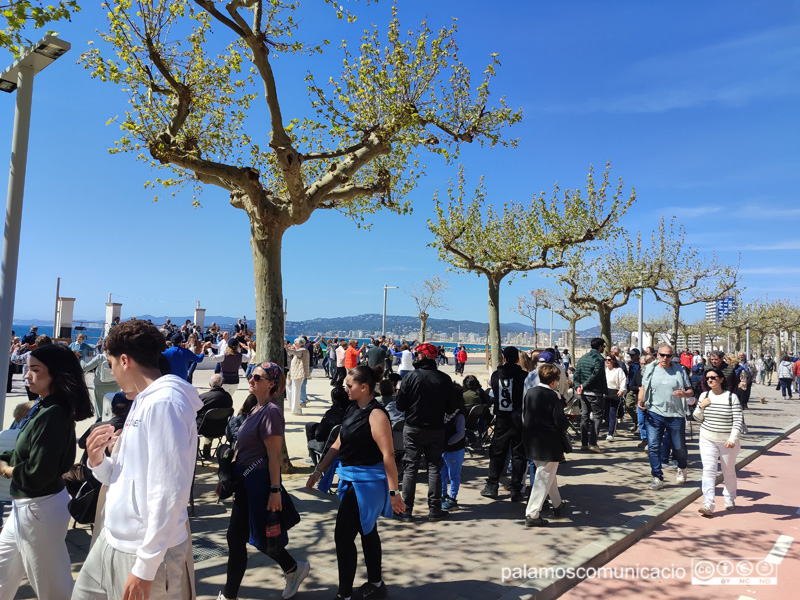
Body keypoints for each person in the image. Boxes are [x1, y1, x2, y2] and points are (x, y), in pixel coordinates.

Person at [73, 319, 202, 600]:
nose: (112, 373)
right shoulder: (144, 400)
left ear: (124, 360)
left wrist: (145, 566)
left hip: (144, 553)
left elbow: (170, 491)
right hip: (112, 541)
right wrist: (98, 461)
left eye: (111, 364)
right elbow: (124, 477)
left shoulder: (165, 403)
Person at [0, 344, 94, 599]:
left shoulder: (52, 413)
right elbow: (25, 452)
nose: (26, 374)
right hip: (26, 508)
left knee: (53, 589)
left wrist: (7, 470)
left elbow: (37, 473)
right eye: (27, 368)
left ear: (55, 374)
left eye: (34, 369)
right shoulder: (43, 406)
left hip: (38, 509)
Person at [306, 365, 405, 600]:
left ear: (364, 387)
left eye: (349, 386)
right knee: (367, 531)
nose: (345, 389)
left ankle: (344, 594)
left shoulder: (377, 414)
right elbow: (338, 444)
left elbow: (388, 455)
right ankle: (376, 583)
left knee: (343, 536)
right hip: (351, 479)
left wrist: (394, 492)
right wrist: (319, 470)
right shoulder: (352, 408)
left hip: (368, 484)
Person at [217, 362, 308, 600]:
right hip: (245, 483)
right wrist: (227, 475)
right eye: (250, 375)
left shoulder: (271, 412)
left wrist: (275, 490)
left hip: (259, 484)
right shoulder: (256, 408)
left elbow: (273, 455)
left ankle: (293, 569)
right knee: (237, 538)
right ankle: (229, 594)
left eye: (257, 377)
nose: (251, 379)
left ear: (272, 384)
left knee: (261, 537)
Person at [396, 342, 458, 521]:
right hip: (436, 428)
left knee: (410, 469)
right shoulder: (444, 379)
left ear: (422, 356)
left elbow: (400, 406)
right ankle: (434, 509)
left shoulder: (410, 377)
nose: (415, 356)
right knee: (434, 468)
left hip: (413, 427)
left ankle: (406, 510)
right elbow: (451, 406)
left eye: (418, 354)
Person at [638, 344, 693, 490]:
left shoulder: (679, 370)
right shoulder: (650, 369)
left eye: (668, 356)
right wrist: (640, 400)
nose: (665, 358)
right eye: (662, 355)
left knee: (679, 447)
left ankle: (682, 467)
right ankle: (657, 477)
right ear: (657, 355)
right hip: (654, 413)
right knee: (654, 446)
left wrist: (684, 394)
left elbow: (690, 391)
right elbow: (643, 387)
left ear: (672, 357)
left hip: (675, 414)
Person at [522, 363, 569, 527]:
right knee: (544, 476)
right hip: (549, 442)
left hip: (531, 438)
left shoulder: (530, 392)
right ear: (554, 381)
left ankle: (557, 504)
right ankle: (532, 514)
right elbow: (560, 421)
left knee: (548, 474)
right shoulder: (553, 396)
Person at [693, 367, 744, 516]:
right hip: (707, 438)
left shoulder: (731, 397)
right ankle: (708, 504)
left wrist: (732, 438)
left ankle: (729, 498)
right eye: (708, 378)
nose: (710, 380)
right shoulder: (704, 395)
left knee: (728, 471)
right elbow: (697, 418)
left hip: (727, 441)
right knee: (709, 471)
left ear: (721, 379)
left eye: (714, 377)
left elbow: (737, 420)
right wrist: (701, 406)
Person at [481, 346, 528, 502]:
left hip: (502, 418)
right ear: (517, 359)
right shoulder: (524, 376)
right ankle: (515, 489)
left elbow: (493, 388)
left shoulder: (496, 375)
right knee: (518, 455)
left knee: (497, 453)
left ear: (504, 358)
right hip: (518, 420)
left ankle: (492, 484)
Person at [573, 337, 608, 452]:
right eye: (603, 346)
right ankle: (592, 443)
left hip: (583, 393)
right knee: (597, 417)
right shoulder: (599, 359)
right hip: (595, 392)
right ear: (600, 346)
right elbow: (596, 374)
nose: (604, 348)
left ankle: (584, 443)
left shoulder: (583, 358)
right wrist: (585, 385)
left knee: (584, 417)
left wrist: (578, 386)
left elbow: (576, 373)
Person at [307, 386, 350, 462]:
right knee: (309, 425)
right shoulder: (351, 411)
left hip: (329, 445)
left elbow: (318, 435)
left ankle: (317, 464)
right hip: (346, 443)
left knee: (311, 443)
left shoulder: (331, 413)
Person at [441, 391, 466, 512]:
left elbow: (460, 433)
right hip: (443, 449)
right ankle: (442, 495)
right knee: (442, 473)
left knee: (453, 475)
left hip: (455, 450)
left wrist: (449, 442)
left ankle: (453, 499)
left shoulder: (459, 415)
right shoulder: (443, 412)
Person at [285, 338, 310, 416]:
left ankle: (296, 409)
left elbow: (295, 352)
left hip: (299, 373)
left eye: (295, 344)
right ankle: (293, 407)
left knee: (296, 391)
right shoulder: (302, 350)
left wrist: (287, 348)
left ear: (300, 344)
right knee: (291, 389)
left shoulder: (303, 350)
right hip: (295, 373)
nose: (294, 345)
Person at [604, 355, 626, 441]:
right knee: (606, 413)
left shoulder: (618, 370)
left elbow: (623, 381)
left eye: (609, 360)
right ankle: (613, 429)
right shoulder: (605, 370)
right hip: (605, 393)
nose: (607, 361)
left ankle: (610, 433)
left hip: (615, 392)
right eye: (606, 360)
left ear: (613, 361)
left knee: (612, 413)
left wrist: (621, 390)